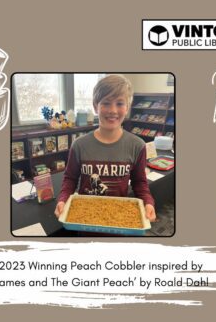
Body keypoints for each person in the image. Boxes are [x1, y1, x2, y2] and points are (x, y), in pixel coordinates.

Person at [54, 74, 156, 222]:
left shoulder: (137, 145)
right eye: (106, 103)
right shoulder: (79, 145)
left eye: (120, 103)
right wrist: (63, 199)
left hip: (119, 219)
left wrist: (148, 202)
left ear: (127, 108)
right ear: (96, 107)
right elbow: (70, 179)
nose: (113, 110)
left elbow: (140, 182)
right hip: (85, 218)